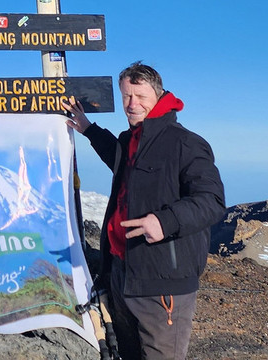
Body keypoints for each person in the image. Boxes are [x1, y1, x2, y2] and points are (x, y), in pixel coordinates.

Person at [62, 62, 224, 360]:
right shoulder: (130, 140)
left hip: (162, 286)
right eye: (126, 96)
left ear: (159, 96)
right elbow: (123, 164)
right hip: (123, 276)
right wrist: (88, 129)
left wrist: (164, 221)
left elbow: (212, 200)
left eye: (140, 96)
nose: (131, 104)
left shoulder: (185, 144)